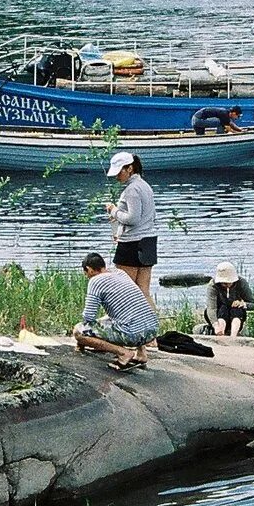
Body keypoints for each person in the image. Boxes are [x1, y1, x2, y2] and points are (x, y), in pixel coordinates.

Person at [73, 252, 158, 371]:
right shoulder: (120, 272)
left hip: (133, 333)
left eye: (86, 273)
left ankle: (123, 353)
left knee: (79, 332)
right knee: (132, 314)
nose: (87, 276)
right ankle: (141, 353)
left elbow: (89, 317)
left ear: (89, 269)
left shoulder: (95, 281)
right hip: (152, 330)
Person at [105, 151, 158, 306]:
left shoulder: (131, 190)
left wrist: (113, 210)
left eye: (119, 171)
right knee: (143, 290)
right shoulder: (145, 186)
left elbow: (133, 219)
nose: (116, 176)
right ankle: (151, 324)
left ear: (130, 168)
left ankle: (128, 325)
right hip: (148, 242)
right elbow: (151, 216)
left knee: (125, 290)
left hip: (131, 244)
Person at [204, 262, 254, 337]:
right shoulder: (213, 285)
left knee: (236, 309)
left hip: (236, 315)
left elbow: (253, 304)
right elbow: (211, 308)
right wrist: (215, 325)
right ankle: (220, 333)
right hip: (219, 314)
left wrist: (243, 304)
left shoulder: (241, 283)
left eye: (229, 283)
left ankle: (233, 336)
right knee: (223, 309)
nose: (227, 285)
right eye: (224, 283)